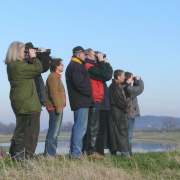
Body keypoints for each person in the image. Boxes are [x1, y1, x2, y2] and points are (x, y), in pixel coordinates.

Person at [5, 41, 42, 161]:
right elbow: (38, 69)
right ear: (16, 51)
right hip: (24, 102)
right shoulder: (17, 66)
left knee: (22, 129)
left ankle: (16, 154)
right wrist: (34, 57)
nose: (25, 52)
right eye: (24, 50)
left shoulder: (14, 65)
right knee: (22, 130)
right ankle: (16, 156)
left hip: (22, 101)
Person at [22, 42, 52, 160]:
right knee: (32, 129)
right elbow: (43, 67)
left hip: (33, 99)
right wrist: (43, 55)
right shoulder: (26, 64)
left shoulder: (29, 64)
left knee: (30, 129)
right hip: (31, 100)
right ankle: (27, 154)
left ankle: (26, 154)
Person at [65, 46, 94, 158]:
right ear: (79, 54)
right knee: (80, 128)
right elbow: (79, 83)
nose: (85, 56)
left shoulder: (74, 65)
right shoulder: (75, 66)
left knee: (78, 127)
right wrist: (89, 91)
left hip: (80, 100)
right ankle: (76, 153)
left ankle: (74, 152)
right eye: (84, 54)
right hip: (81, 100)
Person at [83, 49, 109, 159]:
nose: (96, 57)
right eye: (95, 55)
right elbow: (104, 74)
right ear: (89, 56)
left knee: (93, 126)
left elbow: (105, 75)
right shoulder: (89, 66)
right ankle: (91, 151)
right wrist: (102, 62)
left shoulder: (92, 66)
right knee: (93, 126)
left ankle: (89, 150)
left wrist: (101, 62)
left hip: (96, 97)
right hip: (93, 97)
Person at [44, 58, 66, 157]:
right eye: (61, 64)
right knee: (53, 132)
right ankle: (49, 155)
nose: (63, 66)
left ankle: (51, 154)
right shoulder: (52, 77)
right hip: (54, 109)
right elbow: (54, 94)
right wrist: (58, 108)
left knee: (55, 132)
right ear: (56, 66)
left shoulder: (56, 77)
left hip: (58, 108)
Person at [107, 69, 131, 157]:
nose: (125, 77)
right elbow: (121, 102)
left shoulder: (114, 86)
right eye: (123, 76)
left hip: (113, 112)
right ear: (118, 77)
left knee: (114, 133)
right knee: (122, 132)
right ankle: (125, 153)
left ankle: (113, 152)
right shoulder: (115, 87)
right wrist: (127, 106)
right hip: (117, 112)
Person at [122, 72, 144, 156]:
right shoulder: (128, 88)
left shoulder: (123, 87)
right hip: (129, 114)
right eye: (131, 78)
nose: (132, 79)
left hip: (125, 113)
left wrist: (135, 82)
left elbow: (134, 89)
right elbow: (140, 89)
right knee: (129, 135)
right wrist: (139, 80)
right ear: (127, 78)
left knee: (126, 134)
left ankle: (127, 153)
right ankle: (126, 153)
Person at [95, 56, 113, 156]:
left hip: (104, 105)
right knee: (100, 130)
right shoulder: (97, 71)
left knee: (102, 129)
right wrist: (105, 64)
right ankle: (99, 151)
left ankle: (99, 151)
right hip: (101, 105)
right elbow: (108, 75)